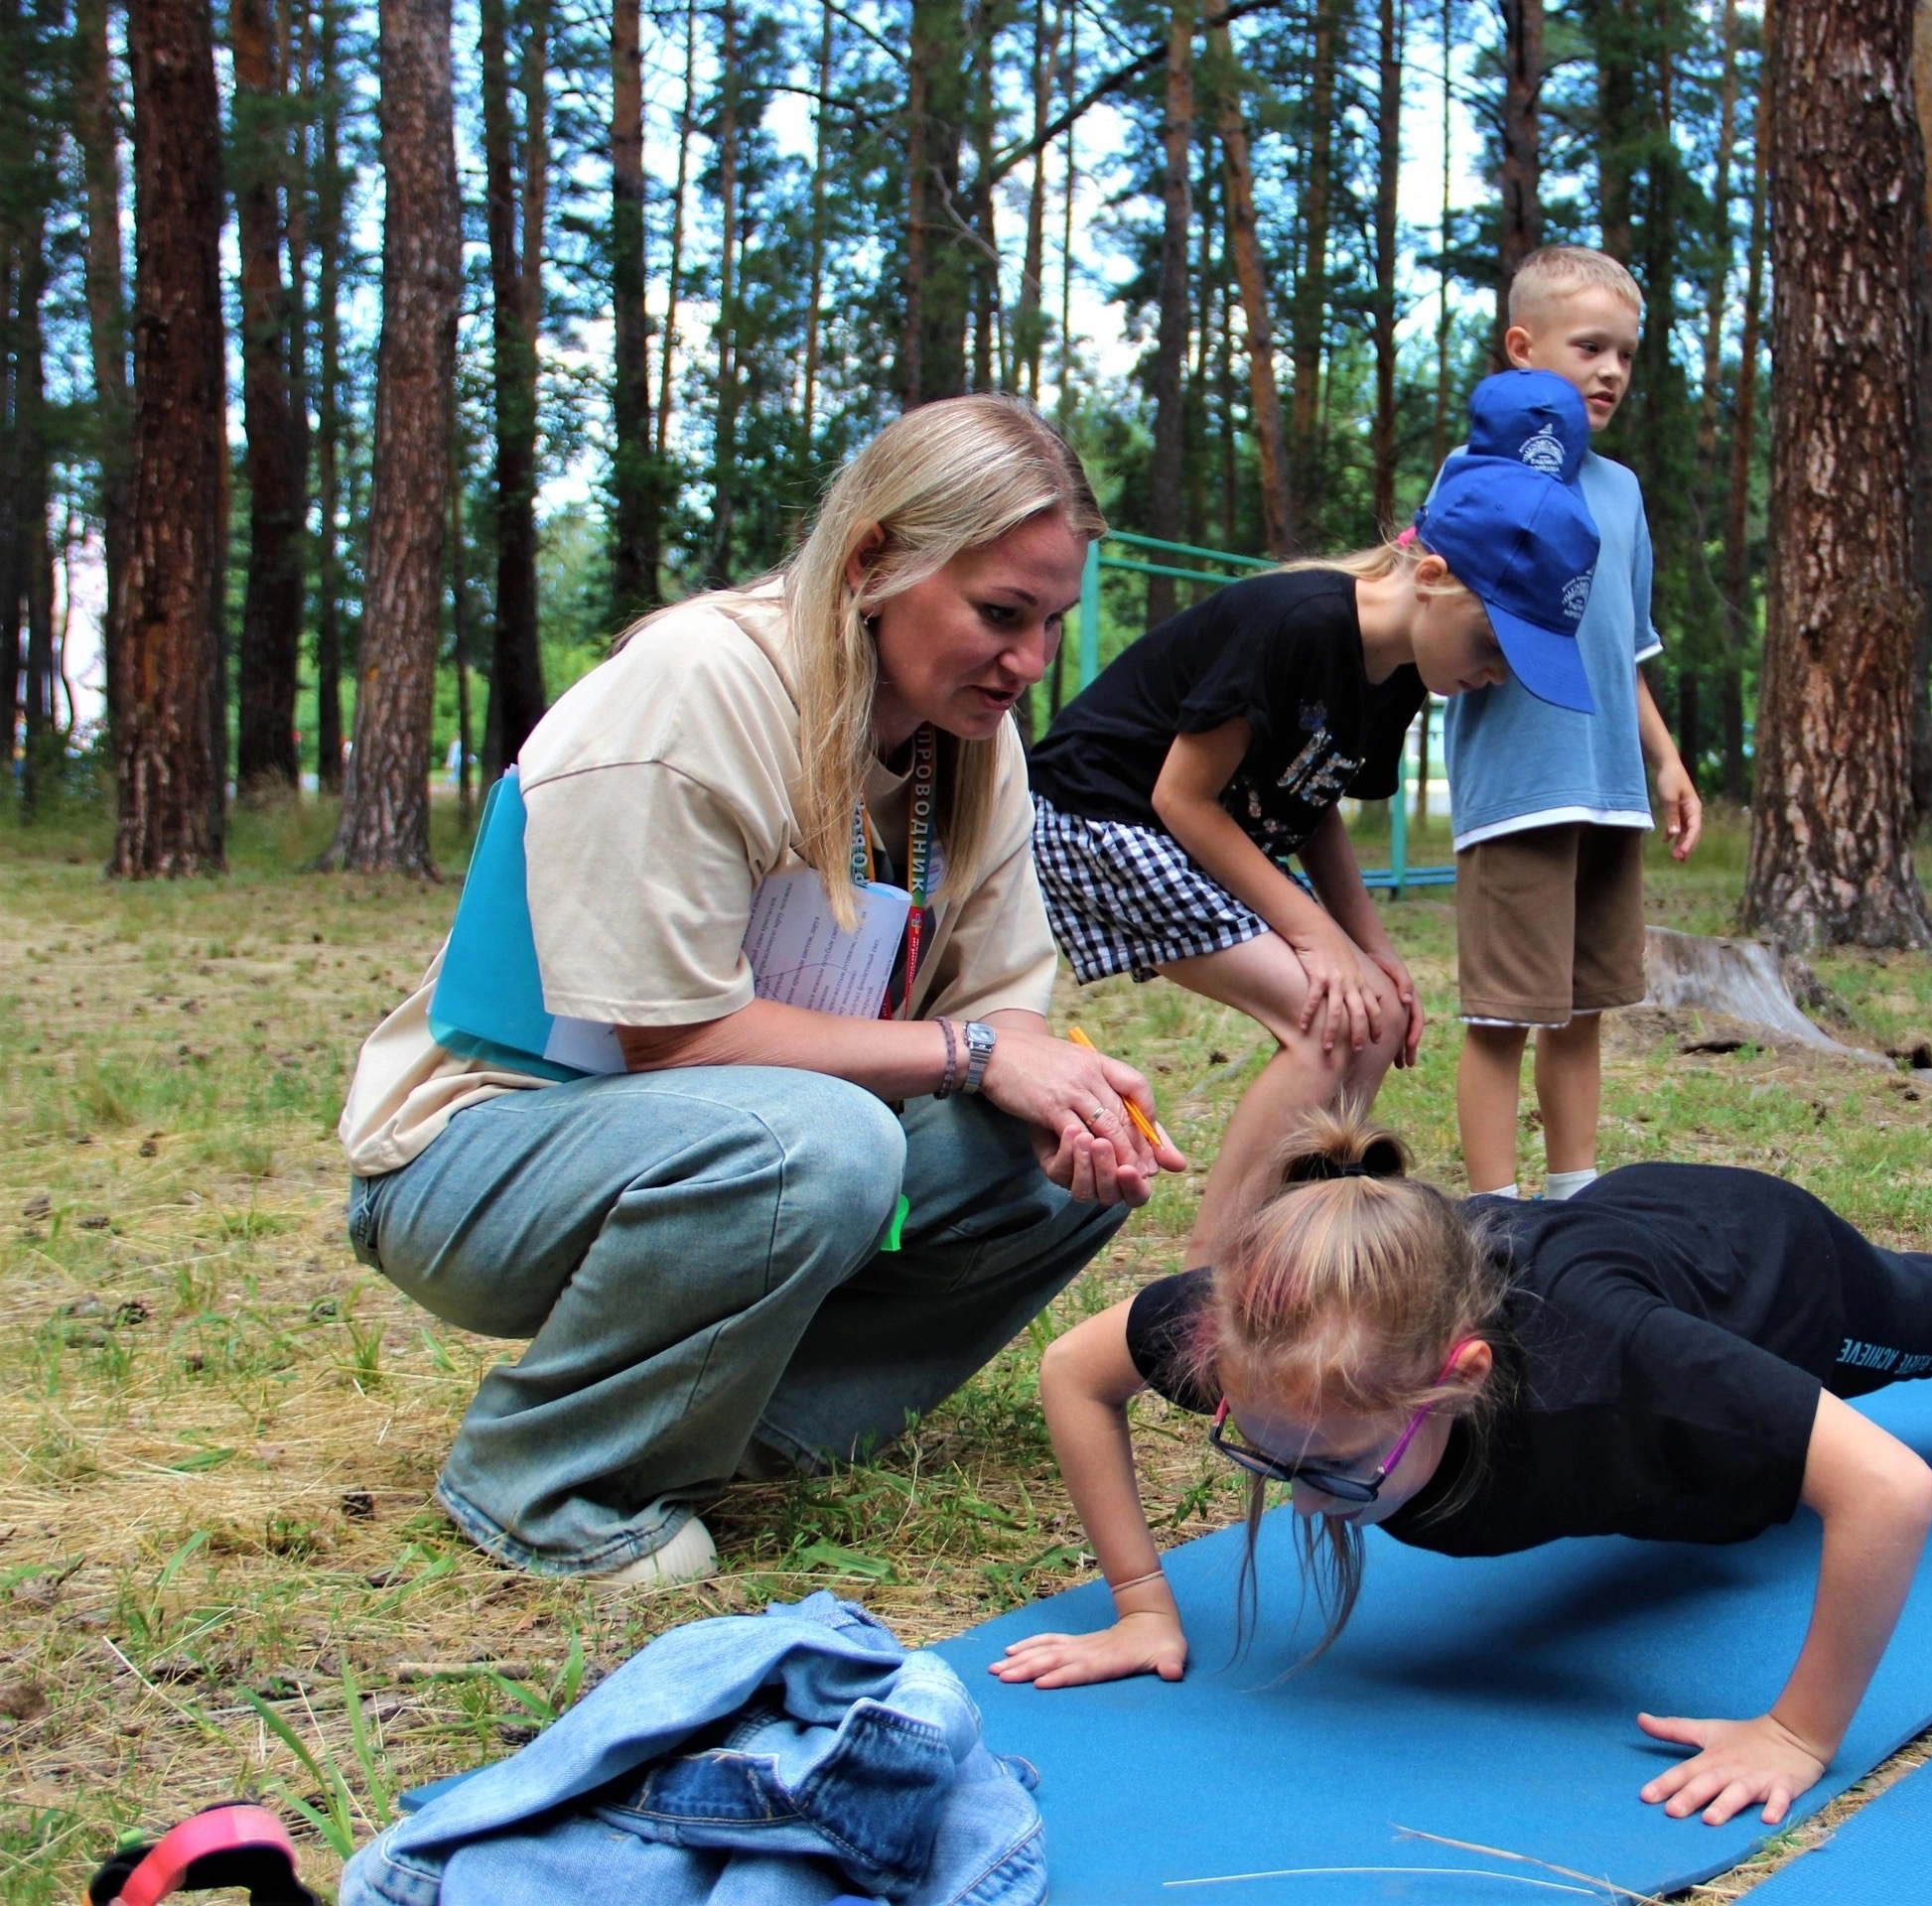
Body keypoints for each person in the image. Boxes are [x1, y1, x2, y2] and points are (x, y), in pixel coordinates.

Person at [338, 397, 1185, 1585]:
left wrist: (1046, 1078)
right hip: (476, 1153)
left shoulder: (971, 741)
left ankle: (742, 1433)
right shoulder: (699, 686)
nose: (1030, 664)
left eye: (1049, 622)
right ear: (872, 561)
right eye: (1000, 615)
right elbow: (676, 1045)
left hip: (742, 1128)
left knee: (1077, 1140)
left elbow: (1006, 1006)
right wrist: (975, 1056)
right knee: (822, 1142)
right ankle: (540, 1480)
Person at [991, 1118, 1932, 1830]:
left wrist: (1798, 1737)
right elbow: (1069, 1374)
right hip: (1605, 1243)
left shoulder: (1616, 1359)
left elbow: (1888, 1489)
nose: (1302, 1496)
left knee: (1914, 1322)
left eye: (1338, 1469)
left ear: (1460, 1377)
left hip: (1748, 1262)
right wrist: (1142, 1606)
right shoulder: (1275, 1334)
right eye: (1269, 1453)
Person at [1028, 370, 1605, 1266]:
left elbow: (1315, 803)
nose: (1497, 674)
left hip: (1200, 832)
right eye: (1494, 645)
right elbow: (1182, 797)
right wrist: (1317, 940)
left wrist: (1371, 947)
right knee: (1320, 1016)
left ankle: (1297, 1245)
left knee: (1369, 1014)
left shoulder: (1407, 672)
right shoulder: (1298, 622)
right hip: (1100, 817)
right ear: (1433, 576)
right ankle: (1214, 1277)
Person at [1439, 247, 1703, 1206]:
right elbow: (1435, 621)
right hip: (1517, 790)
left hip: (1610, 787)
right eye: (1589, 346)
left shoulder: (1623, 491)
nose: (1611, 371)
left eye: (1626, 355)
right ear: (1522, 348)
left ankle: (1575, 1198)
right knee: (1505, 1015)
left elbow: (1626, 646)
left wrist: (1666, 762)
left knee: (1586, 1008)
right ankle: (1496, 1215)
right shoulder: (1474, 473)